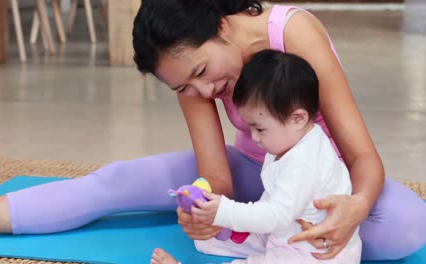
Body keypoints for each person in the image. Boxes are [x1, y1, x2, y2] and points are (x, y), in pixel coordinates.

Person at [0, 0, 424, 261]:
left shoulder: (292, 34)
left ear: (221, 25)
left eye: (202, 71)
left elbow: (361, 155)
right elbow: (216, 177)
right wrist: (202, 203)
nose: (203, 89)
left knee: (405, 224)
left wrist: (354, 208)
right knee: (116, 181)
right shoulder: (189, 78)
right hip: (253, 172)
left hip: (324, 182)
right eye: (185, 86)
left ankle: (269, 228)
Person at [150, 49, 363, 264]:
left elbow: (276, 215)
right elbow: (271, 199)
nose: (253, 138)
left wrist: (225, 211)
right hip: (288, 229)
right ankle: (238, 234)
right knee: (208, 239)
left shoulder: (303, 162)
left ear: (298, 118)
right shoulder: (290, 142)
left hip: (313, 252)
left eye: (259, 130)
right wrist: (225, 218)